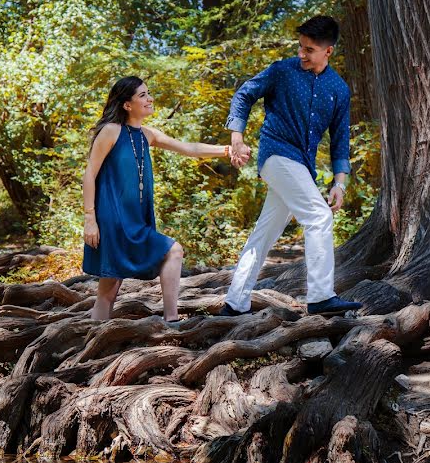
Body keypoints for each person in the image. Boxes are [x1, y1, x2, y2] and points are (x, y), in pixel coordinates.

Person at [221, 16, 363, 317]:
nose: (302, 54)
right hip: (276, 154)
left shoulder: (339, 90)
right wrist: (237, 135)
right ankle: (322, 297)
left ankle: (235, 303)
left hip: (301, 166)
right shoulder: (282, 71)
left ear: (329, 51)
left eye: (309, 49)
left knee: (264, 234)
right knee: (319, 216)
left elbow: (340, 141)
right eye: (300, 47)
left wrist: (339, 184)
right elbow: (245, 93)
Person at [82, 76, 239, 322]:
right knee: (109, 291)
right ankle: (164, 323)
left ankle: (167, 321)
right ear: (126, 104)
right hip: (112, 220)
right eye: (142, 95)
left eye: (148, 93)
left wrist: (228, 150)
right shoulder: (111, 131)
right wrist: (89, 218)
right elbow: (90, 173)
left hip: (135, 220)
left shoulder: (148, 134)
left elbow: (190, 149)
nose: (149, 98)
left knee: (163, 258)